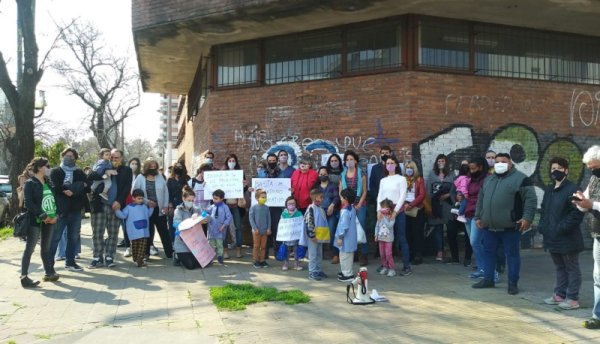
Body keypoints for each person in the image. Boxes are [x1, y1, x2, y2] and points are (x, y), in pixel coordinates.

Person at [472, 153, 537, 295]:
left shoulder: (521, 179)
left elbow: (530, 200)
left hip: (511, 227)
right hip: (489, 227)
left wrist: (527, 218)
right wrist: (478, 217)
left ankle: (513, 283)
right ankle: (488, 279)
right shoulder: (488, 180)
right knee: (489, 253)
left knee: (512, 255)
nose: (499, 164)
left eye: (503, 161)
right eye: (497, 162)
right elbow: (481, 200)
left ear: (511, 163)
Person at [538, 157, 584, 310]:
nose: (555, 171)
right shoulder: (549, 190)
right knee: (559, 267)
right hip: (552, 237)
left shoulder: (573, 189)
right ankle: (560, 295)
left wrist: (561, 228)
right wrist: (543, 227)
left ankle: (572, 299)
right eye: (552, 168)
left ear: (566, 170)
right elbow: (544, 210)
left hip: (568, 238)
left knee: (572, 268)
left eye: (558, 168)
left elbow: (577, 213)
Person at [88, 149, 133, 269]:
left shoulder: (126, 170)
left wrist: (119, 201)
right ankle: (97, 257)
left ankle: (109, 256)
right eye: (112, 157)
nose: (113, 160)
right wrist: (104, 170)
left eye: (116, 158)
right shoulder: (101, 165)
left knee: (113, 233)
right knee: (97, 232)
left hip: (115, 205)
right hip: (99, 205)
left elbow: (127, 188)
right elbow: (90, 176)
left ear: (121, 158)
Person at [571, 146, 600, 329]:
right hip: (597, 233)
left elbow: (593, 204)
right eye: (589, 168)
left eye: (594, 167)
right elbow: (585, 206)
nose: (592, 170)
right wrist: (581, 202)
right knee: (598, 277)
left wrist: (592, 204)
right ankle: (597, 316)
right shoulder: (594, 179)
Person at [49, 148, 88, 272]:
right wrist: (68, 189)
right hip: (60, 210)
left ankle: (70, 262)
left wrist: (74, 191)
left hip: (75, 210)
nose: (69, 158)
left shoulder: (79, 172)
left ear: (75, 159)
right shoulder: (56, 171)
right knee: (56, 237)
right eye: (67, 155)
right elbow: (54, 187)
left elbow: (87, 187)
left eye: (72, 156)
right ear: (62, 156)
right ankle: (49, 265)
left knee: (73, 237)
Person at [20, 157, 58, 288]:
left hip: (51, 219)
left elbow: (53, 200)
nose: (49, 168)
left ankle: (49, 272)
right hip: (35, 220)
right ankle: (24, 277)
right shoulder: (30, 183)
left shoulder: (49, 182)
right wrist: (43, 216)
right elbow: (29, 203)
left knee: (46, 247)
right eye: (47, 166)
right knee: (30, 248)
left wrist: (55, 215)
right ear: (39, 168)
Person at [377, 155, 410, 275]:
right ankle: (385, 265)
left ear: (396, 164)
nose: (389, 165)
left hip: (398, 211)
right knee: (384, 239)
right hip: (384, 212)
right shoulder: (383, 180)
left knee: (401, 238)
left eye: (392, 162)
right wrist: (378, 211)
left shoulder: (401, 179)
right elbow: (379, 196)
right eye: (387, 163)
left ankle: (406, 266)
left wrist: (395, 211)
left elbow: (402, 196)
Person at [132, 158, 171, 259]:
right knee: (147, 231)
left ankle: (170, 252)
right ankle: (146, 253)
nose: (153, 168)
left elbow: (166, 191)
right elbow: (135, 192)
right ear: (146, 167)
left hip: (159, 209)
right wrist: (147, 202)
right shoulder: (140, 177)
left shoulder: (160, 177)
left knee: (164, 231)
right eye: (151, 166)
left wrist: (166, 205)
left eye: (155, 167)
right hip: (145, 209)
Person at [464, 157, 492, 279]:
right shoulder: (472, 179)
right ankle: (482, 268)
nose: (471, 170)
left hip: (478, 214)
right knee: (475, 243)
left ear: (481, 167)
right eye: (470, 168)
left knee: (475, 241)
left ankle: (488, 269)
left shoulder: (488, 179)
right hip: (469, 212)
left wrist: (480, 215)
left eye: (473, 168)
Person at [340, 150, 368, 265]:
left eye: (351, 159)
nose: (349, 161)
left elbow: (365, 191)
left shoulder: (362, 173)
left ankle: (364, 255)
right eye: (347, 159)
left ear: (356, 161)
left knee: (361, 227)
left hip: (359, 205)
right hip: (347, 206)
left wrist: (359, 204)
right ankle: (354, 253)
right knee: (350, 229)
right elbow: (340, 191)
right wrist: (345, 203)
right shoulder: (342, 174)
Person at [115, 189, 154, 267]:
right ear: (133, 198)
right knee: (134, 246)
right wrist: (117, 210)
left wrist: (151, 208)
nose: (141, 200)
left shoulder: (144, 207)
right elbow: (123, 215)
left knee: (142, 246)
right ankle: (136, 260)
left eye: (142, 198)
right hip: (134, 231)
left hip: (144, 231)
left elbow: (148, 215)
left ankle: (140, 260)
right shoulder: (129, 207)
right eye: (139, 198)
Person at [426, 154, 455, 261]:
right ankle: (440, 251)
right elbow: (428, 189)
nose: (440, 163)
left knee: (450, 228)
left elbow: (455, 188)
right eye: (439, 161)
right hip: (436, 205)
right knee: (437, 228)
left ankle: (452, 252)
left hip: (448, 205)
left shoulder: (451, 174)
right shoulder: (432, 174)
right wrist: (432, 201)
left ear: (446, 162)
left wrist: (448, 195)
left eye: (442, 161)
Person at [172, 186, 206, 270]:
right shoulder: (178, 210)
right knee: (191, 266)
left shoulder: (196, 209)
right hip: (182, 242)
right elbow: (176, 224)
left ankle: (186, 257)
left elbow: (208, 218)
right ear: (183, 199)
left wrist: (201, 217)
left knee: (203, 263)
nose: (191, 202)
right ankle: (177, 255)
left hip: (193, 243)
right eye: (189, 200)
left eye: (192, 200)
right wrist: (191, 220)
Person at [223, 153, 248, 259]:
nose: (231, 163)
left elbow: (243, 190)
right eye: (230, 161)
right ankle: (225, 250)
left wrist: (245, 185)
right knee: (223, 228)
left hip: (236, 206)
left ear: (236, 162)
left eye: (233, 161)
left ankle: (238, 249)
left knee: (238, 228)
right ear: (226, 162)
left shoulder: (240, 174)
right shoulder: (222, 174)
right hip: (225, 205)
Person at [315, 167, 340, 264]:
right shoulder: (317, 187)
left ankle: (335, 255)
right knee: (319, 232)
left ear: (328, 175)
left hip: (331, 213)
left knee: (332, 232)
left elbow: (337, 197)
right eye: (320, 174)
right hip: (320, 213)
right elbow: (314, 200)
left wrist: (332, 205)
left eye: (324, 174)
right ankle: (319, 254)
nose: (322, 176)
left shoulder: (333, 186)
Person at [403, 160, 426, 265]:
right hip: (404, 208)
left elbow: (422, 195)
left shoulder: (419, 180)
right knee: (407, 233)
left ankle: (418, 254)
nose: (409, 169)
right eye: (407, 167)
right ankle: (410, 254)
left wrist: (411, 204)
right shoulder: (403, 180)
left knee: (417, 233)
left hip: (416, 208)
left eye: (411, 168)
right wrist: (404, 205)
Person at [117, 158, 142, 250]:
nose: (134, 165)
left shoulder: (140, 176)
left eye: (136, 164)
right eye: (132, 163)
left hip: (136, 203)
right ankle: (128, 246)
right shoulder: (125, 173)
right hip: (125, 201)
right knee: (125, 225)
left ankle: (138, 245)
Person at [304, 188, 329, 281]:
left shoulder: (320, 208)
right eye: (320, 197)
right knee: (313, 255)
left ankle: (318, 270)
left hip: (320, 236)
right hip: (313, 237)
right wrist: (312, 235)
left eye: (322, 197)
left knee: (319, 254)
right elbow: (309, 222)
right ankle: (312, 272)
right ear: (314, 197)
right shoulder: (311, 208)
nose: (322, 199)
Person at [336, 188, 358, 282]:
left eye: (341, 197)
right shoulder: (352, 208)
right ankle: (346, 271)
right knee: (348, 256)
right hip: (351, 237)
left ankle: (347, 274)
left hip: (345, 238)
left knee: (344, 256)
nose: (340, 199)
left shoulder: (345, 211)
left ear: (345, 198)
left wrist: (340, 237)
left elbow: (343, 226)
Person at [206, 189, 232, 265]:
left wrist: (224, 225)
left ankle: (220, 256)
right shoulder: (212, 206)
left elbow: (229, 217)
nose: (214, 200)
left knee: (219, 244)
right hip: (212, 230)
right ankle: (210, 258)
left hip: (220, 230)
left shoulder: (225, 207)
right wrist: (206, 215)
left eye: (216, 199)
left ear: (222, 199)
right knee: (211, 244)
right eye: (213, 198)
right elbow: (206, 212)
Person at [167, 160, 191, 240]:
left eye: (180, 167)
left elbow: (189, 191)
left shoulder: (186, 179)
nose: (178, 168)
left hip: (184, 204)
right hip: (173, 204)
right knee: (173, 224)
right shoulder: (170, 180)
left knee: (184, 223)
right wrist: (170, 205)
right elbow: (168, 193)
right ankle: (173, 243)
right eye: (176, 167)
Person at [279, 196, 303, 270]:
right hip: (286, 237)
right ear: (286, 205)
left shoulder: (299, 213)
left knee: (296, 250)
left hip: (295, 237)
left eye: (293, 203)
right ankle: (286, 263)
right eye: (289, 204)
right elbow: (281, 224)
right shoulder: (283, 214)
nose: (291, 205)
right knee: (287, 250)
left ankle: (296, 263)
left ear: (296, 204)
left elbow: (301, 224)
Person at [250, 188, 271, 268]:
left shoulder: (266, 208)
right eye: (262, 197)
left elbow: (269, 218)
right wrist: (255, 228)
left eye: (265, 197)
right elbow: (251, 219)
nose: (264, 199)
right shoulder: (253, 208)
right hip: (256, 231)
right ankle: (255, 260)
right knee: (256, 246)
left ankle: (262, 260)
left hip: (264, 231)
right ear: (257, 198)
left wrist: (268, 228)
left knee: (263, 246)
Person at [375, 198, 396, 277]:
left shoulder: (392, 217)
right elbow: (377, 226)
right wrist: (376, 235)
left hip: (388, 239)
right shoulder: (380, 216)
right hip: (381, 238)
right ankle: (384, 267)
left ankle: (392, 269)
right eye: (381, 207)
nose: (382, 209)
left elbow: (390, 226)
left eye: (384, 207)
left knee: (388, 254)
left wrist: (384, 218)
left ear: (389, 209)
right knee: (382, 254)